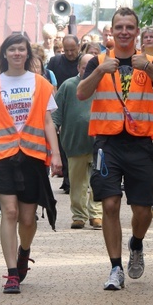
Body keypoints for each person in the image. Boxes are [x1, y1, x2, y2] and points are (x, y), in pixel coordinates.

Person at [77, 7, 153, 291]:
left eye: (129, 27)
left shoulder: (150, 61)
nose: (124, 32)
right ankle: (115, 267)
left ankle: (136, 243)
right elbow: (82, 92)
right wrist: (100, 73)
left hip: (141, 143)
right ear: (111, 30)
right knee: (109, 203)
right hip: (107, 144)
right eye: (119, 26)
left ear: (137, 31)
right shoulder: (98, 61)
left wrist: (148, 68)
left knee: (142, 210)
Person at [0, 33, 62, 295]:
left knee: (28, 218)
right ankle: (11, 273)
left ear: (28, 54)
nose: (17, 53)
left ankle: (24, 253)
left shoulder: (41, 85)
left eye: (22, 49)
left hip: (31, 157)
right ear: (5, 54)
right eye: (12, 50)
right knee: (9, 212)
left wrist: (55, 155)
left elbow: (47, 123)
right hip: (0, 158)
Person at [54, 54, 103, 229]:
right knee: (77, 183)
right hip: (75, 142)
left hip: (99, 143)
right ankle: (79, 215)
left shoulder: (103, 85)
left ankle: (96, 214)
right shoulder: (68, 86)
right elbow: (56, 113)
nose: (87, 71)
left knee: (98, 180)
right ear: (78, 68)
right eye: (84, 67)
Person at [46, 34, 80, 194]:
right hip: (59, 104)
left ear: (78, 48)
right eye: (66, 50)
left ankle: (72, 179)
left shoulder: (82, 63)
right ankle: (67, 179)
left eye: (72, 50)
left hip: (77, 103)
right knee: (62, 142)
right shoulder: (55, 62)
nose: (70, 53)